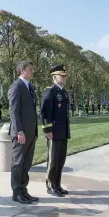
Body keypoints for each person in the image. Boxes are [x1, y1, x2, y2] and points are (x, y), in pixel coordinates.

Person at [8, 61, 38, 204]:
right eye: (30, 69)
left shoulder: (29, 87)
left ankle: (24, 191)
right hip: (20, 134)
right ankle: (16, 193)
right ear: (22, 71)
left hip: (31, 133)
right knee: (18, 164)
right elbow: (13, 112)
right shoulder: (16, 87)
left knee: (26, 164)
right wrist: (19, 131)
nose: (32, 71)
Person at [40, 65, 70, 197]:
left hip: (63, 131)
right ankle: (50, 186)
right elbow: (45, 112)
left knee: (60, 160)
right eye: (61, 75)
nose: (64, 78)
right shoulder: (50, 91)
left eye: (64, 76)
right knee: (53, 160)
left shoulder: (63, 92)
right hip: (54, 131)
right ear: (54, 77)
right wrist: (47, 129)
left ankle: (57, 184)